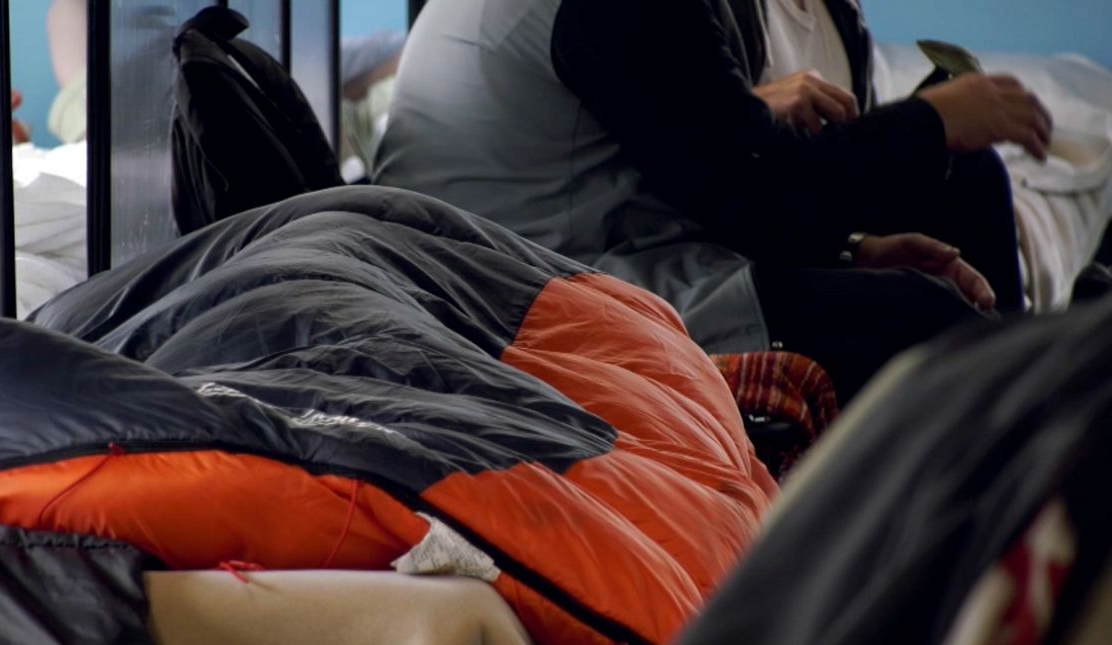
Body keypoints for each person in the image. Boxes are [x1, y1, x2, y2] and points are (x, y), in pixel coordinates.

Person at [374, 0, 1052, 400]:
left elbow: (719, 161)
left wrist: (853, 248)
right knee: (921, 321)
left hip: (548, 258)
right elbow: (752, 183)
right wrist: (932, 121)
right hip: (523, 294)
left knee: (957, 197)